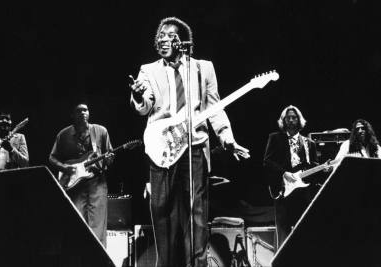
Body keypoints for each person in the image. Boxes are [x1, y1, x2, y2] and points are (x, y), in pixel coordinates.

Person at [130, 17, 250, 267]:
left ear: (182, 41)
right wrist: (138, 95)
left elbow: (214, 108)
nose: (163, 39)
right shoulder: (148, 70)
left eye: (169, 35)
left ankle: (197, 264)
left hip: (194, 148)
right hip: (163, 149)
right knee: (162, 214)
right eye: (160, 35)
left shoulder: (202, 68)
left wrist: (227, 138)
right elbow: (145, 107)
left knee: (196, 216)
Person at [49, 102, 113, 247]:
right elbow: (52, 157)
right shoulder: (63, 134)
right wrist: (64, 167)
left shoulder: (100, 131)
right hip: (74, 186)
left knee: (98, 226)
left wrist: (108, 160)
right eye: (79, 111)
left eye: (86, 110)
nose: (83, 113)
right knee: (78, 226)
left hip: (97, 183)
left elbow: (109, 155)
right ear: (72, 115)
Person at [263, 105, 319, 248]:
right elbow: (267, 161)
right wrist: (284, 173)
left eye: (294, 117)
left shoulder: (309, 143)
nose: (291, 120)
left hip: (303, 192)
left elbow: (314, 166)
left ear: (299, 120)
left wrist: (323, 169)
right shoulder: (275, 138)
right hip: (284, 191)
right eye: (288, 117)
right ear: (284, 120)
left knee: (303, 231)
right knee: (283, 232)